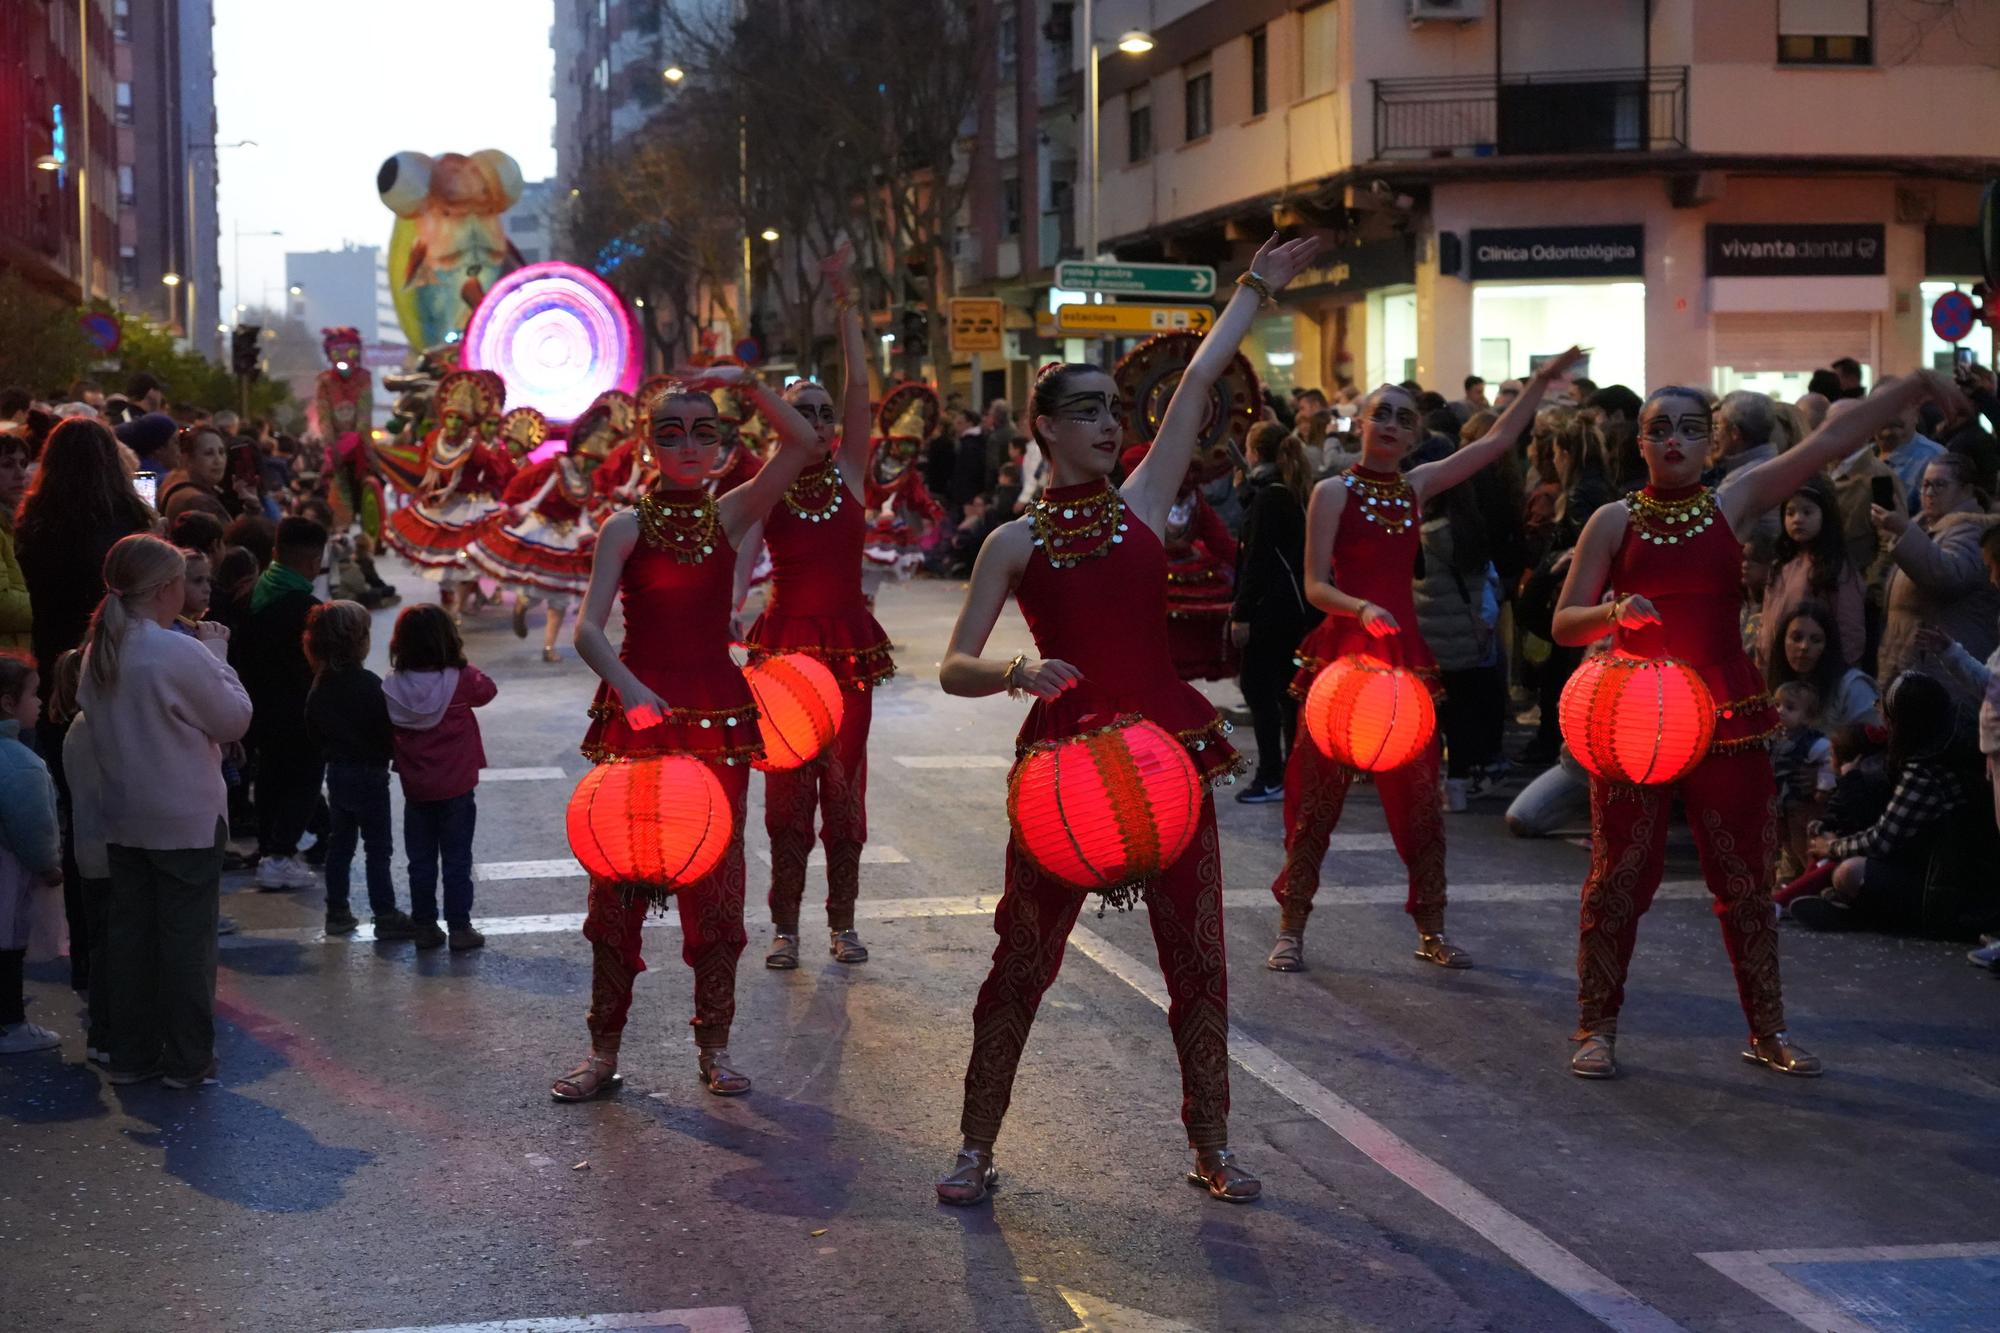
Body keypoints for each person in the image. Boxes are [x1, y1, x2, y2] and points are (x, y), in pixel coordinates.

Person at [930, 233, 1322, 1208]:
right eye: (1089, 411)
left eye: (1115, 409)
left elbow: (1191, 388)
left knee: (1198, 964)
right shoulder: (1011, 541)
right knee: (1019, 962)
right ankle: (975, 1144)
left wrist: (1250, 294)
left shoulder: (1144, 504)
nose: (1112, 424)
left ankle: (1211, 1146)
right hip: (1063, 772)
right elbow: (949, 666)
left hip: (1166, 761)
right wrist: (1017, 670)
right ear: (1045, 427)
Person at [1550, 370, 1961, 1080]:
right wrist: (1614, 615)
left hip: (1727, 717)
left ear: (1712, 442)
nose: (1673, 440)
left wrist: (1912, 388)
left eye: (1687, 428)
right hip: (1634, 718)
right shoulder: (1612, 521)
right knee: (1618, 876)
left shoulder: (1730, 503)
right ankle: (1596, 1025)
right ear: (1639, 443)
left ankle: (1767, 1030)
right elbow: (1562, 622)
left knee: (1743, 882)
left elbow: (1829, 439)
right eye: (1658, 428)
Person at [550, 364, 821, 1105]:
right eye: (673, 433)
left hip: (717, 722)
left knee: (718, 889)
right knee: (618, 889)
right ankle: (602, 1051)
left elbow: (801, 444)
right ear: (649, 444)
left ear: (725, 443)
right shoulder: (625, 527)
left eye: (707, 431)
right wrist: (633, 688)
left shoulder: (730, 516)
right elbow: (588, 631)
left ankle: (716, 1045)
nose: (691, 446)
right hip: (638, 719)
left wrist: (749, 380)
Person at [1267, 347, 1584, 975]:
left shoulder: (1415, 487)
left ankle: (1431, 927)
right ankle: (1291, 926)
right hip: (1343, 658)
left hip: (1402, 661)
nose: (1388, 424)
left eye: (1402, 418)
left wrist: (1541, 383)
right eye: (1379, 413)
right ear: (1360, 422)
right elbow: (1314, 585)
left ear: (1416, 436)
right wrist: (1359, 608)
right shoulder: (1331, 491)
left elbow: (1495, 443)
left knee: (1417, 801)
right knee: (1314, 801)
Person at [734, 245, 892, 969]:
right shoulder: (768, 484)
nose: (823, 422)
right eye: (807, 413)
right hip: (784, 654)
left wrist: (846, 302)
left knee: (843, 796)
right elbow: (732, 561)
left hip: (847, 649)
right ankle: (784, 929)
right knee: (784, 804)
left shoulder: (854, 473)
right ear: (784, 423)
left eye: (827, 413)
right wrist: (725, 617)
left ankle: (842, 923)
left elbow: (863, 383)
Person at [80, 535, 252, 1088]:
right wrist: (218, 655)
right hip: (185, 818)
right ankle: (186, 1058)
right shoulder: (174, 650)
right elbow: (232, 719)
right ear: (163, 589)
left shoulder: (100, 649)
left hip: (126, 816)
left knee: (132, 939)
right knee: (185, 943)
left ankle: (130, 1054)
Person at [15, 418, 155, 994]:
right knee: (131, 816)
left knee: (80, 820)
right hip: (119, 676)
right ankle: (131, 951)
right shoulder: (126, 526)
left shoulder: (33, 527)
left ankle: (86, 959)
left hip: (56, 682)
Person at [1793, 672, 1969, 934]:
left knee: (1848, 872)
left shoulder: (1924, 771)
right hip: (1923, 868)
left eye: (1884, 710)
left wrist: (1832, 847)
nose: (1880, 717)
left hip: (1942, 890)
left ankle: (1864, 916)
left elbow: (1881, 840)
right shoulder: (1933, 750)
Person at [382, 605, 495, 951]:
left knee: (421, 861)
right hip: (457, 787)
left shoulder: (392, 686)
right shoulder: (460, 681)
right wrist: (461, 663)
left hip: (417, 790)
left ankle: (425, 927)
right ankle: (460, 928)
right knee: (457, 859)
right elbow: (487, 690)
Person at [304, 601, 412, 940]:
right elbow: (385, 728)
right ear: (358, 641)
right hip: (370, 774)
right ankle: (385, 913)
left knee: (341, 845)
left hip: (338, 772)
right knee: (377, 849)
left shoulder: (321, 683)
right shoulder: (368, 683)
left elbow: (313, 728)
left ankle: (337, 910)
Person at [233, 517, 328, 892]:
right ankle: (280, 854)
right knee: (304, 781)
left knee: (271, 777)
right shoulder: (309, 609)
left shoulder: (252, 595)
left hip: (256, 708)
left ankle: (270, 845)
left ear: (274, 554)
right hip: (299, 713)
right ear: (314, 561)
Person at [1230, 423, 1319, 803]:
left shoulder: (1269, 497)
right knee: (1285, 692)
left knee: (1259, 689)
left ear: (1254, 452)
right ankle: (1290, 772)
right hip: (1294, 609)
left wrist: (1242, 612)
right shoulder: (1292, 490)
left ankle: (1270, 774)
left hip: (1270, 610)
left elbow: (1258, 558)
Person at [1873, 452, 1999, 711]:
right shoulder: (1923, 528)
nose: (1929, 492)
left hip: (1948, 672)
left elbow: (1945, 576)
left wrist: (1904, 531)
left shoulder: (1973, 530)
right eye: (1925, 484)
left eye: (1939, 484)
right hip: (1914, 663)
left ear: (1966, 489)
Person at [0, 653, 60, 1055]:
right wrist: (49, 866)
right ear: (8, 702)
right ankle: (10, 1025)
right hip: (8, 879)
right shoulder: (21, 763)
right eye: (34, 694)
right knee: (8, 949)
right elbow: (33, 828)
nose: (41, 702)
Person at [1759, 474, 1864, 671]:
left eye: (1807, 512)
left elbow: (1850, 629)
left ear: (1825, 516)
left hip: (1816, 670)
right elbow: (1766, 622)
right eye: (1790, 513)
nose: (1798, 519)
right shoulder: (1780, 566)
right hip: (1776, 669)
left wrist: (1839, 674)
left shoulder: (1836, 567)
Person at [1765, 600, 1881, 732]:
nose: (1804, 647)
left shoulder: (1853, 688)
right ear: (1782, 641)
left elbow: (1875, 740)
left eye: (1816, 640)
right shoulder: (1774, 685)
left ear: (1828, 646)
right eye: (1796, 638)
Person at [1769, 680, 1836, 882]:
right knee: (1787, 842)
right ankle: (1794, 876)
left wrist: (1823, 787)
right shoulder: (1776, 738)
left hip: (1803, 802)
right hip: (1783, 803)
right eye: (1777, 705)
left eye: (1790, 708)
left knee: (1803, 842)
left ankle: (1813, 877)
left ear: (1808, 717)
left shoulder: (1812, 741)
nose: (1780, 711)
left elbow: (1828, 760)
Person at [1711, 391, 1782, 562]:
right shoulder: (1777, 464)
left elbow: (1713, 540)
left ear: (1735, 432)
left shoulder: (1741, 481)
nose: (1713, 436)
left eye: (1717, 427)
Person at [1871, 379, 1946, 512]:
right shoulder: (1862, 459)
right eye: (1882, 408)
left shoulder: (1935, 460)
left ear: (1916, 414)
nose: (1891, 415)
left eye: (1899, 406)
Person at [0, 432, 31, 651]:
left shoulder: (21, 520)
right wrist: (51, 601)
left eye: (23, 463)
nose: (20, 474)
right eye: (7, 465)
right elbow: (3, 606)